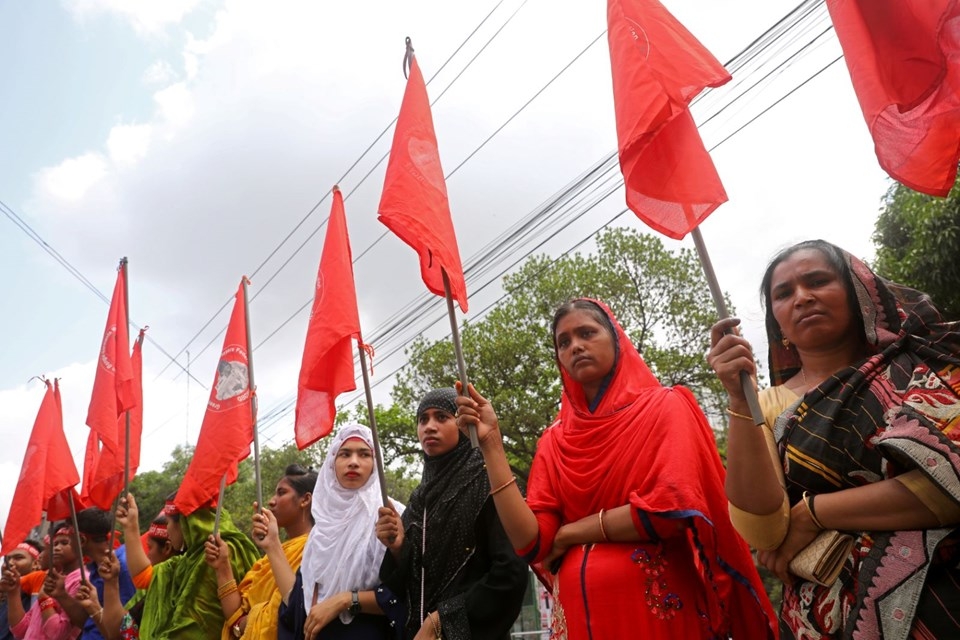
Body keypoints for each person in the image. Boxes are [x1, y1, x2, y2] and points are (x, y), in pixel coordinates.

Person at [455, 299, 776, 639]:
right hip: (578, 622)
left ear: (616, 338)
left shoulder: (665, 407)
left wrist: (570, 533)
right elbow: (532, 544)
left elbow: (665, 513)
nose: (575, 346)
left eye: (587, 333)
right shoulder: (554, 441)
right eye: (563, 342)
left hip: (657, 621)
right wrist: (492, 446)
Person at [708, 239, 960, 638]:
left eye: (817, 281)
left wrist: (813, 513)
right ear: (777, 322)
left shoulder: (919, 368)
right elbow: (764, 533)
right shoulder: (766, 406)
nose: (802, 297)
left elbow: (951, 482)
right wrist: (740, 399)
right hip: (826, 619)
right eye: (784, 293)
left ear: (857, 292)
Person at [378, 390, 528, 640]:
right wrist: (398, 549)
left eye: (441, 417)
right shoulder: (418, 501)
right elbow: (405, 590)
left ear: (462, 423)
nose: (429, 426)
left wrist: (441, 621)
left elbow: (510, 574)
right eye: (423, 419)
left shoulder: (489, 482)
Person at [278, 424, 400, 640]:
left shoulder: (391, 515)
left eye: (364, 454)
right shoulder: (321, 530)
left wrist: (345, 600)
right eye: (345, 454)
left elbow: (405, 592)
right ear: (332, 463)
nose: (353, 461)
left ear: (375, 464)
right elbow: (300, 602)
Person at [115, 493, 259, 639]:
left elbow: (193, 629)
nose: (167, 529)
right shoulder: (190, 559)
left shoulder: (216, 554)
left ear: (184, 523)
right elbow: (144, 577)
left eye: (169, 522)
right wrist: (130, 526)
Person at [204, 464, 317, 639]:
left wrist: (242, 625)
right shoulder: (270, 557)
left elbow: (287, 614)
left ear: (305, 500)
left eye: (281, 493)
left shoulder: (314, 550)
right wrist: (222, 567)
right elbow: (236, 616)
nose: (271, 501)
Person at [2, 523, 84, 640]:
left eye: (64, 543)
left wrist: (44, 599)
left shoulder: (81, 581)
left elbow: (57, 634)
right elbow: (21, 631)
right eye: (54, 544)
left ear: (82, 544)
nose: (56, 548)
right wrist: (13, 592)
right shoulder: (53, 579)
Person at [0, 541, 42, 640]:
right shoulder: (3, 596)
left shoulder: (43, 595)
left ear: (36, 564)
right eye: (7, 559)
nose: (10, 563)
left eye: (18, 558)